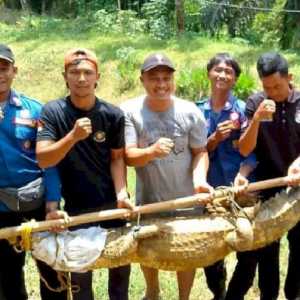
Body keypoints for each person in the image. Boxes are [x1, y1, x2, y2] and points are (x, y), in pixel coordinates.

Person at [36, 48, 133, 300]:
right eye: (74, 72)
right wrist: (72, 137)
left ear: (97, 77)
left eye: (87, 72)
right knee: (81, 281)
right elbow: (44, 158)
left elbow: (117, 158)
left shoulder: (112, 115)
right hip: (76, 209)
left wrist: (122, 192)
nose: (81, 78)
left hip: (113, 205)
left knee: (120, 278)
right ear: (64, 76)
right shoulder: (53, 112)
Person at [121, 53, 211, 300]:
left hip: (186, 200)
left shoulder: (190, 111)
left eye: (166, 78)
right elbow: (128, 157)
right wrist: (150, 152)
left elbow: (200, 152)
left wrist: (200, 181)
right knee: (147, 248)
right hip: (150, 199)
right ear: (142, 80)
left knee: (188, 252)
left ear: (174, 80)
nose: (161, 84)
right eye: (154, 78)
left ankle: (184, 297)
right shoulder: (129, 112)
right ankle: (152, 291)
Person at [227, 52, 300, 300]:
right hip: (268, 187)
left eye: (277, 86)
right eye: (267, 86)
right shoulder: (256, 102)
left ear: (289, 78)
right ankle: (268, 295)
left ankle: (294, 293)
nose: (272, 92)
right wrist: (256, 118)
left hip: (299, 187)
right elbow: (246, 148)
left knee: (299, 247)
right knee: (268, 247)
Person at [0, 43, 62, 300]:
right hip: (1, 209)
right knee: (7, 274)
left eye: (4, 68)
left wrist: (52, 203)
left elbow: (49, 161)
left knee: (52, 268)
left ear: (15, 71)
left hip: (36, 204)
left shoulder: (35, 110)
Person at [196, 53, 256, 300]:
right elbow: (195, 152)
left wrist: (244, 176)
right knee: (210, 251)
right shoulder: (197, 111)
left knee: (249, 249)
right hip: (210, 191)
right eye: (217, 70)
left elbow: (254, 151)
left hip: (243, 190)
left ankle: (235, 296)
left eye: (228, 71)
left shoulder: (244, 110)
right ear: (209, 73)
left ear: (235, 79)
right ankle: (218, 292)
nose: (222, 75)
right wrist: (215, 139)